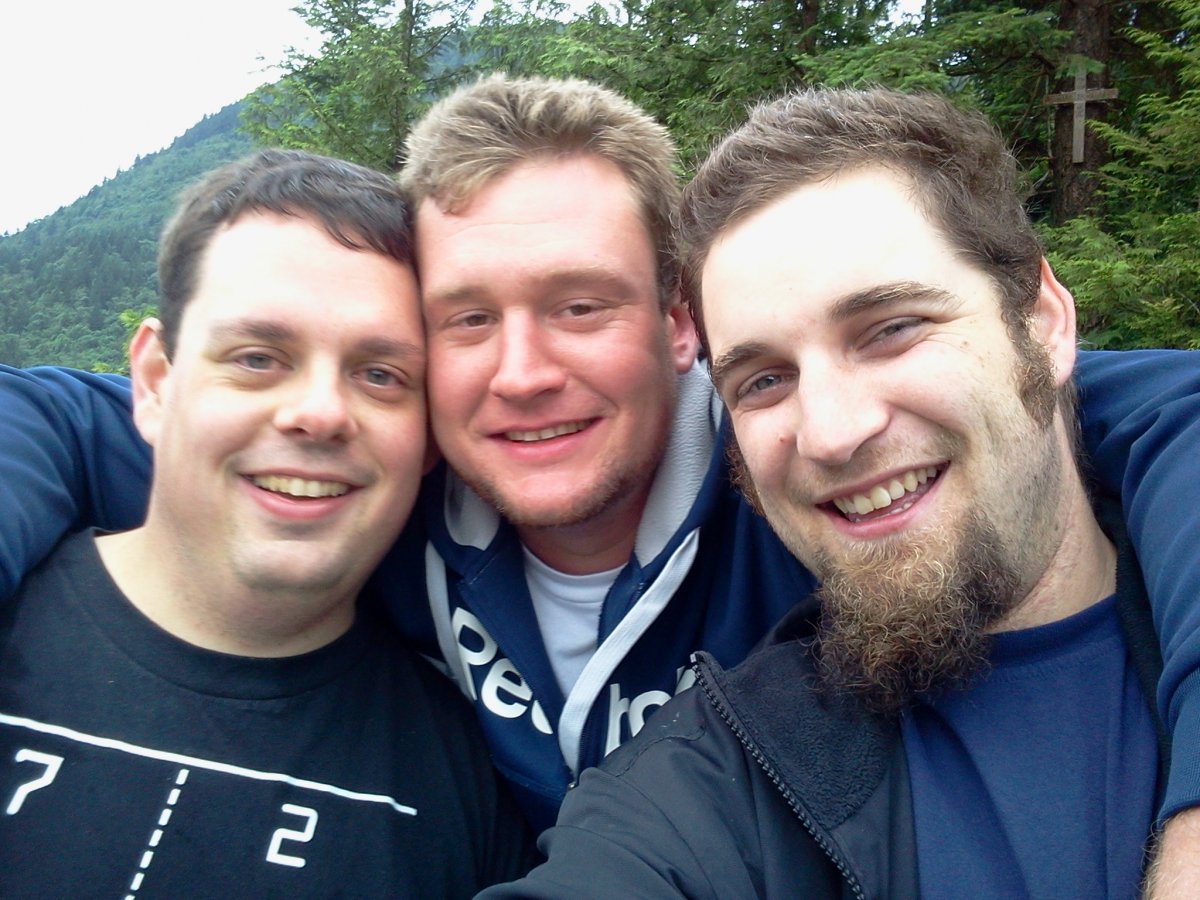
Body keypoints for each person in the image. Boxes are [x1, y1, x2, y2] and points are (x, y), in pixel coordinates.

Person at [1, 76, 1200, 836]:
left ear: (679, 323)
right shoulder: (378, 485)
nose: (522, 371)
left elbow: (1130, 411)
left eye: (581, 306)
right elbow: (65, 417)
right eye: (468, 319)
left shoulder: (809, 465)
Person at [479, 87, 1194, 898]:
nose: (830, 432)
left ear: (1042, 324)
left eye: (890, 330)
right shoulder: (714, 783)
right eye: (763, 380)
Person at [0, 149, 536, 897]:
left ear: (427, 440)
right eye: (257, 358)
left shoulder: (476, 783)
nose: (320, 412)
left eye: (381, 375)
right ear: (154, 382)